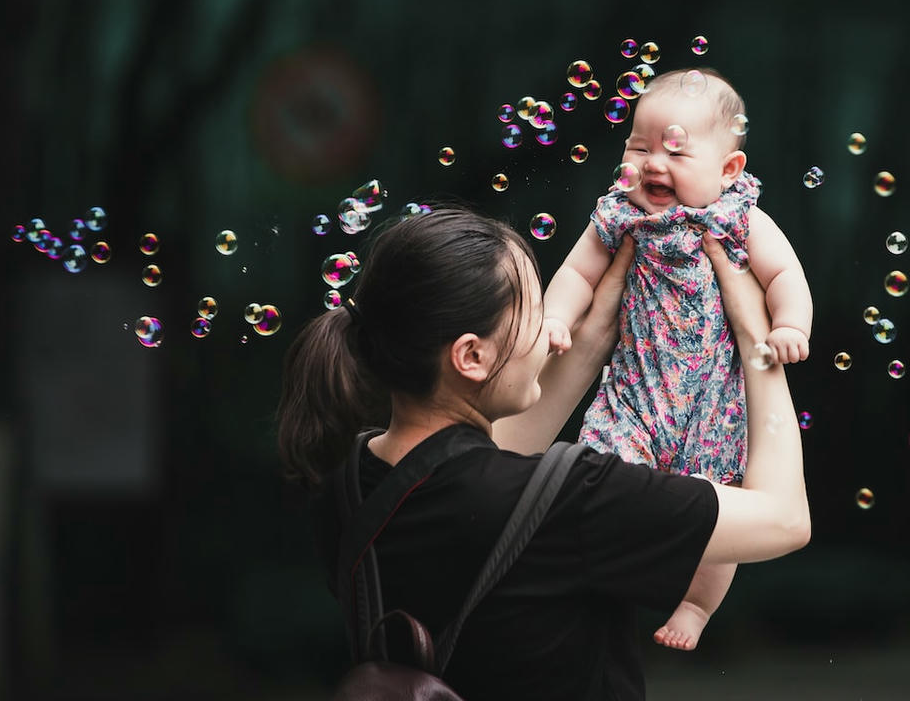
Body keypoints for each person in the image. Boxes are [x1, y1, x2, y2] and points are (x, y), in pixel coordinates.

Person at [277, 205, 809, 700]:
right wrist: (754, 340)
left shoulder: (346, 492)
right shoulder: (575, 502)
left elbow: (473, 477)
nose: (550, 333)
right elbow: (785, 521)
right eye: (535, 312)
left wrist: (601, 326)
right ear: (471, 355)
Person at [540, 67, 813, 650]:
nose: (653, 164)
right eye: (639, 147)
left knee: (723, 508)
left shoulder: (739, 217)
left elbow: (785, 273)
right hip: (634, 398)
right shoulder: (620, 214)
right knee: (603, 477)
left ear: (728, 169)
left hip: (713, 410)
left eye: (675, 152)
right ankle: (606, 575)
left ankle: (696, 604)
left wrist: (790, 324)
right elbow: (577, 273)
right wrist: (556, 318)